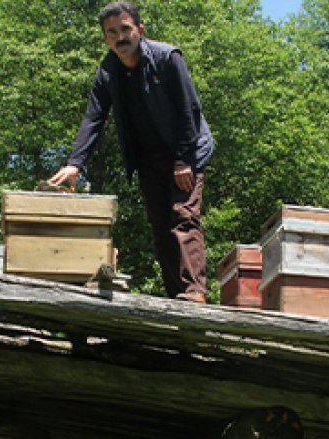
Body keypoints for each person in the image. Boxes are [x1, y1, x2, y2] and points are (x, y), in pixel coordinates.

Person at [48, 1, 213, 303]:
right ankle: (177, 296)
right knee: (160, 225)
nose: (119, 37)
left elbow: (190, 109)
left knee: (183, 217)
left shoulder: (167, 57)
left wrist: (183, 159)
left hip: (184, 152)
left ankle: (195, 292)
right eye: (111, 32)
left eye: (125, 29)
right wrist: (75, 164)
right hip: (147, 159)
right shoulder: (107, 73)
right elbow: (93, 118)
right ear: (105, 38)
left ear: (139, 30)